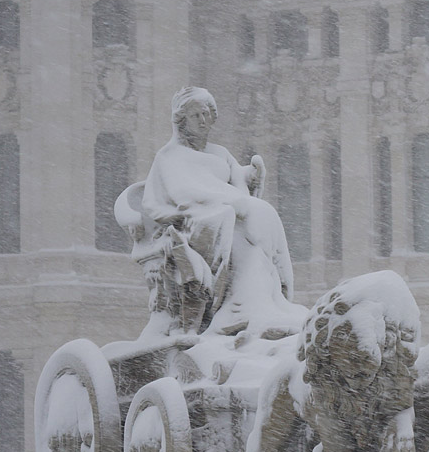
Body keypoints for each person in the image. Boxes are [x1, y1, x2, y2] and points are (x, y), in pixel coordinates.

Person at [117, 87, 305, 339]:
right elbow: (160, 200)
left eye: (206, 114)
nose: (203, 120)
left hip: (223, 212)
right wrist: (172, 214)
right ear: (182, 120)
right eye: (196, 115)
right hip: (192, 223)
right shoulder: (168, 156)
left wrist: (251, 177)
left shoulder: (220, 153)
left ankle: (263, 299)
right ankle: (237, 307)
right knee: (231, 223)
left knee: (260, 213)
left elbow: (240, 188)